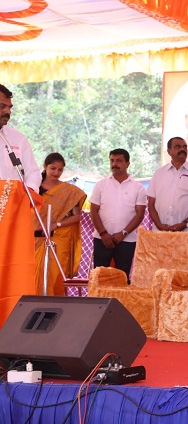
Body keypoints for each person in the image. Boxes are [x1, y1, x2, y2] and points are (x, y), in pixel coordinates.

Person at [89, 149, 148, 280]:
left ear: (127, 163)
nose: (114, 164)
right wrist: (103, 234)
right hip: (102, 239)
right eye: (112, 160)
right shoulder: (101, 185)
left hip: (127, 240)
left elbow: (140, 214)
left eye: (119, 161)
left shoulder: (138, 187)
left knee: (122, 277)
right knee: (99, 278)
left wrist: (124, 233)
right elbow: (93, 211)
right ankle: (100, 301)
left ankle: (120, 301)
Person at [33, 153, 86, 295]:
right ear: (45, 166)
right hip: (33, 238)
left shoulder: (69, 192)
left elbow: (77, 217)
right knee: (32, 275)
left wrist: (56, 224)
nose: (56, 173)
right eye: (53, 168)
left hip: (58, 238)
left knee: (54, 274)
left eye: (60, 170)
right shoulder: (33, 187)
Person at [148, 137, 188, 232]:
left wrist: (185, 223)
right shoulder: (159, 173)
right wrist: (159, 225)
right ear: (169, 151)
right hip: (160, 232)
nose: (182, 149)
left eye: (184, 147)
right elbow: (151, 204)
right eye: (177, 147)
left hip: (187, 232)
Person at [0, 84, 41, 191]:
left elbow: (33, 172)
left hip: (12, 204)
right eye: (2, 106)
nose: (8, 112)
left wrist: (29, 193)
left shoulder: (18, 138)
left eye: (9, 107)